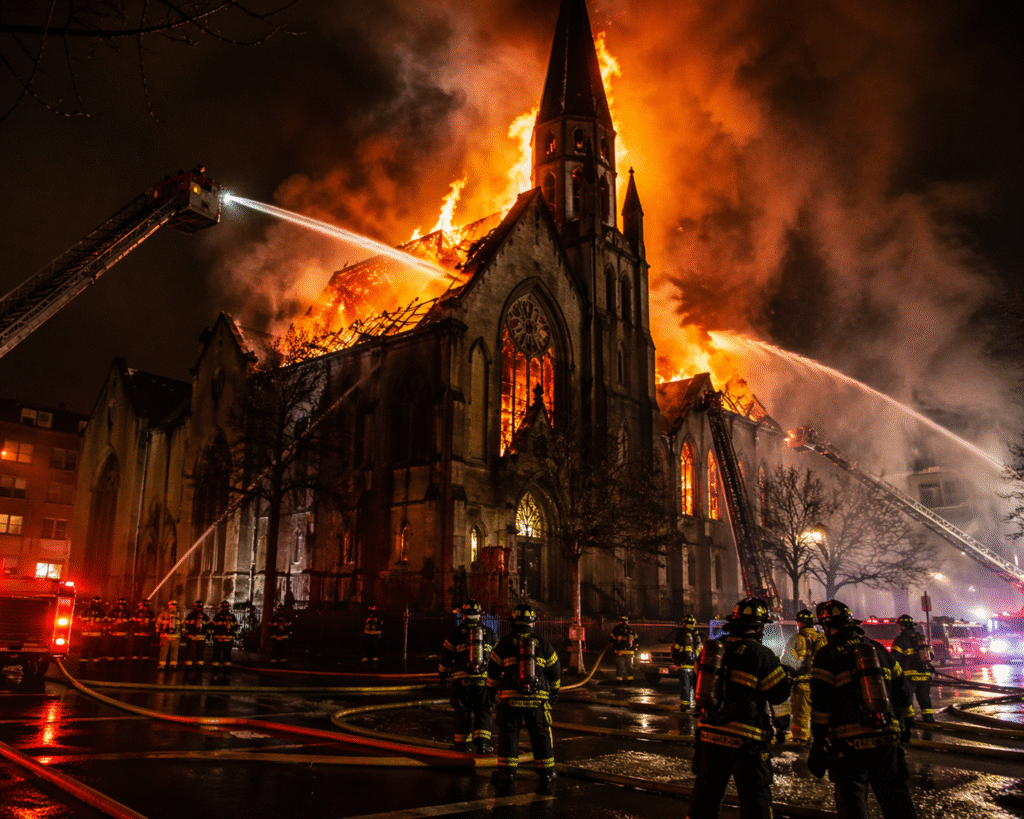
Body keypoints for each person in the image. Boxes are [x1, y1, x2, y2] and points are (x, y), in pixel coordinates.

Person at [809, 600, 917, 819]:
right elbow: (901, 688)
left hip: (849, 743)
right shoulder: (877, 649)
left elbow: (822, 701)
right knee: (896, 796)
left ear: (827, 628)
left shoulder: (827, 654)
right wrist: (906, 723)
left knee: (852, 797)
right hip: (886, 736)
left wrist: (819, 741)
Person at [687, 597, 790, 819]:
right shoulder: (761, 654)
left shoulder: (712, 649)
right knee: (755, 800)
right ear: (759, 627)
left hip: (710, 735)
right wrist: (782, 726)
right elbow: (780, 695)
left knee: (705, 799)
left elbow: (697, 680)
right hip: (747, 741)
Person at [486, 603, 561, 784]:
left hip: (510, 698)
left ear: (513, 622)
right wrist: (554, 692)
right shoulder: (543, 644)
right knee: (541, 733)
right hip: (538, 699)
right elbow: (555, 670)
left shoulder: (504, 643)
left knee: (509, 734)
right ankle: (547, 773)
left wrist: (490, 691)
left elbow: (493, 670)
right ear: (533, 623)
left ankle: (506, 772)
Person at [439, 599, 498, 754]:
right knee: (483, 710)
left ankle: (462, 745)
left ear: (463, 615)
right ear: (480, 615)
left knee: (462, 711)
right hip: (484, 681)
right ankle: (483, 745)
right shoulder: (490, 633)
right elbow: (497, 658)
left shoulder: (456, 633)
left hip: (461, 680)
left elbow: (446, 655)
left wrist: (442, 674)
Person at [789, 609, 826, 743]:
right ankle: (815, 737)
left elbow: (788, 662)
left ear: (800, 623)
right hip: (820, 684)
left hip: (802, 684)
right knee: (818, 713)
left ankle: (800, 739)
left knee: (800, 715)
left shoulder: (797, 639)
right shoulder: (822, 638)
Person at [891, 614, 936, 722]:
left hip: (908, 675)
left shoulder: (900, 639)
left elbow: (894, 658)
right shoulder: (921, 638)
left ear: (901, 626)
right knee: (924, 697)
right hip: (924, 674)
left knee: (907, 698)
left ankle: (909, 719)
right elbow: (931, 656)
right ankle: (928, 717)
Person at [671, 614, 701, 712]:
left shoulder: (681, 634)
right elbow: (700, 650)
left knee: (685, 686)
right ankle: (699, 706)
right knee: (697, 686)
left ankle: (685, 705)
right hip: (695, 666)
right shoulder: (696, 634)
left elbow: (675, 648)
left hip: (684, 665)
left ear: (684, 623)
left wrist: (675, 660)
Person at [209, 601, 239, 682]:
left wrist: (213, 636)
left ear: (220, 607)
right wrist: (231, 634)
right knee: (227, 655)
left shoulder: (217, 617)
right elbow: (236, 628)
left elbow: (212, 628)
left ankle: (215, 671)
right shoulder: (232, 617)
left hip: (218, 640)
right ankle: (227, 671)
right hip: (228, 640)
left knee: (216, 655)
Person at [182, 600, 210, 678]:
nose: (199, 609)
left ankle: (191, 666)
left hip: (194, 638)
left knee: (194, 653)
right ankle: (197, 666)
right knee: (196, 653)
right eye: (198, 607)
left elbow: (208, 626)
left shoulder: (191, 615)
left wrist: (186, 634)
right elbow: (186, 625)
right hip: (196, 637)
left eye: (200, 607)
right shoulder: (203, 616)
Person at [608, 614, 638, 683]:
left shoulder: (629, 630)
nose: (624, 623)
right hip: (621, 652)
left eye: (625, 621)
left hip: (625, 652)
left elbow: (636, 639)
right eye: (623, 621)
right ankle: (621, 680)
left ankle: (627, 680)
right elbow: (611, 638)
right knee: (622, 667)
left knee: (626, 667)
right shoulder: (618, 630)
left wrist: (636, 647)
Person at [156, 600, 182, 671]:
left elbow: (183, 625)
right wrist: (158, 631)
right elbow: (158, 623)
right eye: (170, 605)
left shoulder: (178, 615)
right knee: (168, 652)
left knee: (171, 652)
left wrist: (157, 631)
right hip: (168, 636)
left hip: (171, 636)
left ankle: (168, 665)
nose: (171, 607)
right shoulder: (164, 614)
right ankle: (167, 665)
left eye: (172, 605)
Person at [79, 597, 106, 666]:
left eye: (97, 603)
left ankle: (96, 664)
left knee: (96, 650)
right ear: (92, 603)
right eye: (94, 603)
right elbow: (79, 620)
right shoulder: (85, 611)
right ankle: (82, 665)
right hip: (86, 634)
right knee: (84, 650)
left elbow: (105, 623)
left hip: (96, 635)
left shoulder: (101, 612)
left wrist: (102, 632)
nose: (96, 604)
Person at [105, 598, 133, 664]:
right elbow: (108, 623)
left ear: (125, 605)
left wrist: (128, 633)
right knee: (111, 650)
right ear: (117, 604)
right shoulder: (112, 612)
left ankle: (121, 664)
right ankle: (110, 663)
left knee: (122, 651)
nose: (121, 606)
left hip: (122, 636)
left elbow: (130, 624)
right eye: (120, 604)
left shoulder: (128, 613)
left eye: (123, 605)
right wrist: (108, 632)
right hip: (113, 635)